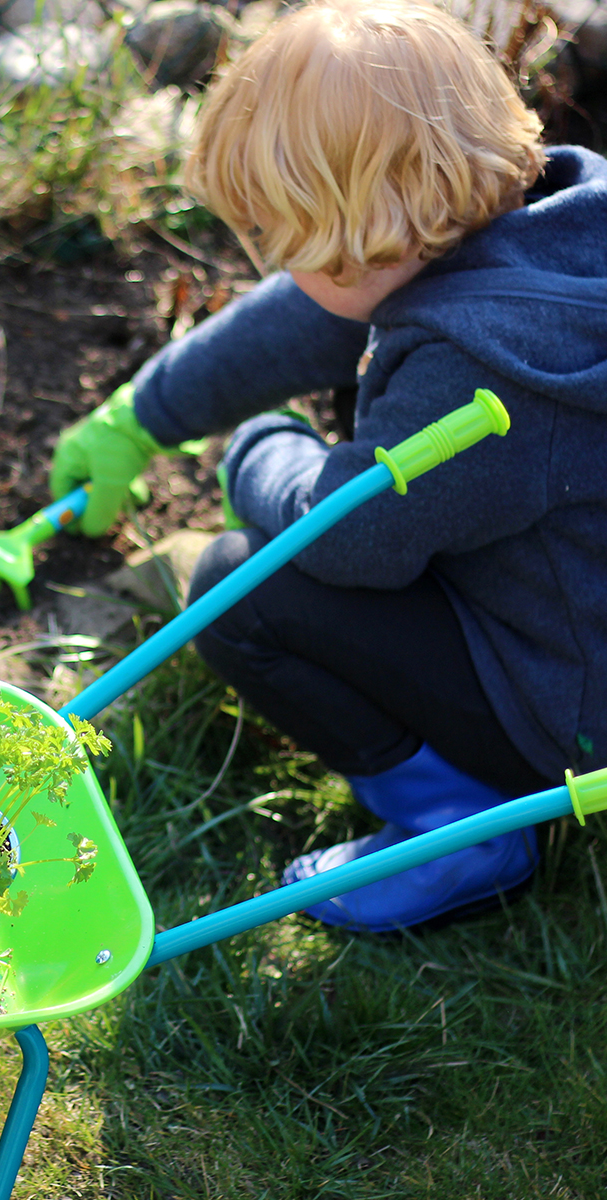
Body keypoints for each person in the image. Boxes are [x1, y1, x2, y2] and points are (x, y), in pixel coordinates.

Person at [49, 0, 607, 931]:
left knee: (240, 588)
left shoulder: (484, 376)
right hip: (579, 624)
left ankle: (461, 825)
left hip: (568, 715)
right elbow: (309, 315)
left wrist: (255, 449)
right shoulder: (549, 227)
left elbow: (347, 540)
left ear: (369, 230)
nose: (269, 257)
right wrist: (143, 415)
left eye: (277, 236)